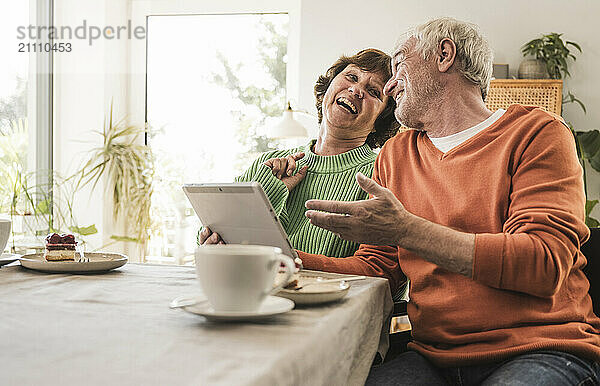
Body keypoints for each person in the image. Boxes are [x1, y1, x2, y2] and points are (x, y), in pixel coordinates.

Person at [301, 17, 600, 384]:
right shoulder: (395, 155)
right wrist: (287, 259)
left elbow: (543, 263)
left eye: (398, 65)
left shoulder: (537, 132)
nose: (391, 85)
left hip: (542, 349)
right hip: (433, 356)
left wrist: (407, 229)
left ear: (444, 55)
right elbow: (378, 268)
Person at [199, 49, 406, 296]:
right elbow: (214, 235)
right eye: (351, 77)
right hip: (247, 304)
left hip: (327, 319)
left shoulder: (382, 175)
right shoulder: (266, 165)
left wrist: (284, 259)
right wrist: (212, 241)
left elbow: (383, 277)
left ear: (380, 121)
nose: (356, 90)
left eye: (373, 92)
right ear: (329, 86)